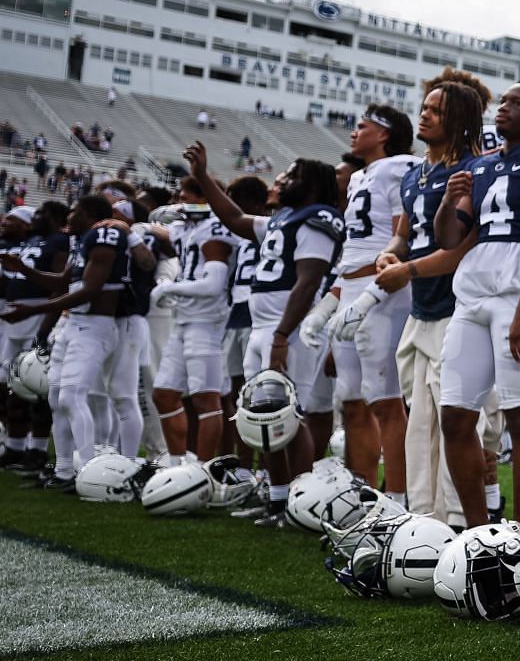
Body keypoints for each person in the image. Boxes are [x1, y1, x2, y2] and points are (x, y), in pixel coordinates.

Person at [185, 142, 343, 527]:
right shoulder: (283, 219)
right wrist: (204, 176)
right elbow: (235, 218)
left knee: (294, 415)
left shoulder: (317, 216)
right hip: (263, 328)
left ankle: (301, 504)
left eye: (291, 175)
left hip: (288, 330)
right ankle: (278, 499)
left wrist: (282, 335)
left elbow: (308, 282)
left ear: (310, 184)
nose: (282, 179)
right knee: (263, 417)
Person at [434, 85, 520, 532]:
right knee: (453, 413)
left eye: (517, 103)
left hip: (519, 291)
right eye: (503, 102)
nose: (504, 108)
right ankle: (476, 532)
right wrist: (450, 201)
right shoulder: (481, 164)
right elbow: (450, 238)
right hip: (473, 292)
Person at [381, 76, 488, 521]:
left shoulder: (475, 170)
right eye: (424, 107)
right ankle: (422, 520)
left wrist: (407, 269)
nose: (424, 115)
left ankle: (461, 522)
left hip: (457, 309)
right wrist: (392, 253)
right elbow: (406, 234)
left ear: (460, 120)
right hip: (422, 310)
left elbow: (466, 247)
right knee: (418, 423)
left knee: (456, 423)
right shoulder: (414, 172)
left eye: (436, 110)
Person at [318, 106, 418, 499]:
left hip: (382, 290)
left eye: (364, 126)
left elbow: (403, 234)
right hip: (351, 286)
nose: (355, 131)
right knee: (352, 400)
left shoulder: (400, 167)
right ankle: (359, 493)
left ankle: (395, 498)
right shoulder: (359, 175)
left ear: (385, 133)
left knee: (386, 401)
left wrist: (374, 290)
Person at [1, 194, 129, 491]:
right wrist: (24, 269)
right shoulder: (83, 240)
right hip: (72, 325)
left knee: (72, 397)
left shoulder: (104, 235)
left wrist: (34, 310)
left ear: (89, 214)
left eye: (74, 211)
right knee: (57, 399)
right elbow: (62, 282)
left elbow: (90, 290)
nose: (68, 217)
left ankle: (86, 472)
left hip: (94, 326)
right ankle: (64, 471)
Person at [149, 178, 239, 462]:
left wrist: (169, 287)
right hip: (184, 320)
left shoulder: (215, 227)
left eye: (184, 195)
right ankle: (178, 464)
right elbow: (160, 229)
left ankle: (202, 471)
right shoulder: (187, 227)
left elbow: (213, 284)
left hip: (208, 322)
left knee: (206, 399)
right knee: (164, 393)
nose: (179, 200)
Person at [0, 203, 66, 474]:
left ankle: (37, 449)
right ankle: (15, 445)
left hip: (37, 311)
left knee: (35, 384)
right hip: (18, 315)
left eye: (39, 214)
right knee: (8, 383)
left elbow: (59, 284)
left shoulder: (60, 240)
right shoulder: (32, 240)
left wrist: (46, 322)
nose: (34, 218)